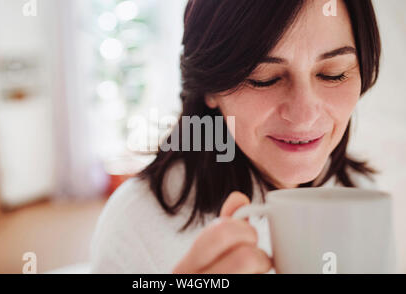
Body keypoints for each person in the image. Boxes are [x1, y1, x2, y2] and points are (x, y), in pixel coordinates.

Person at [90, 0, 381, 274]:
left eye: (333, 74)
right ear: (211, 88)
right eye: (263, 78)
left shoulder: (359, 191)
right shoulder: (138, 224)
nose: (304, 115)